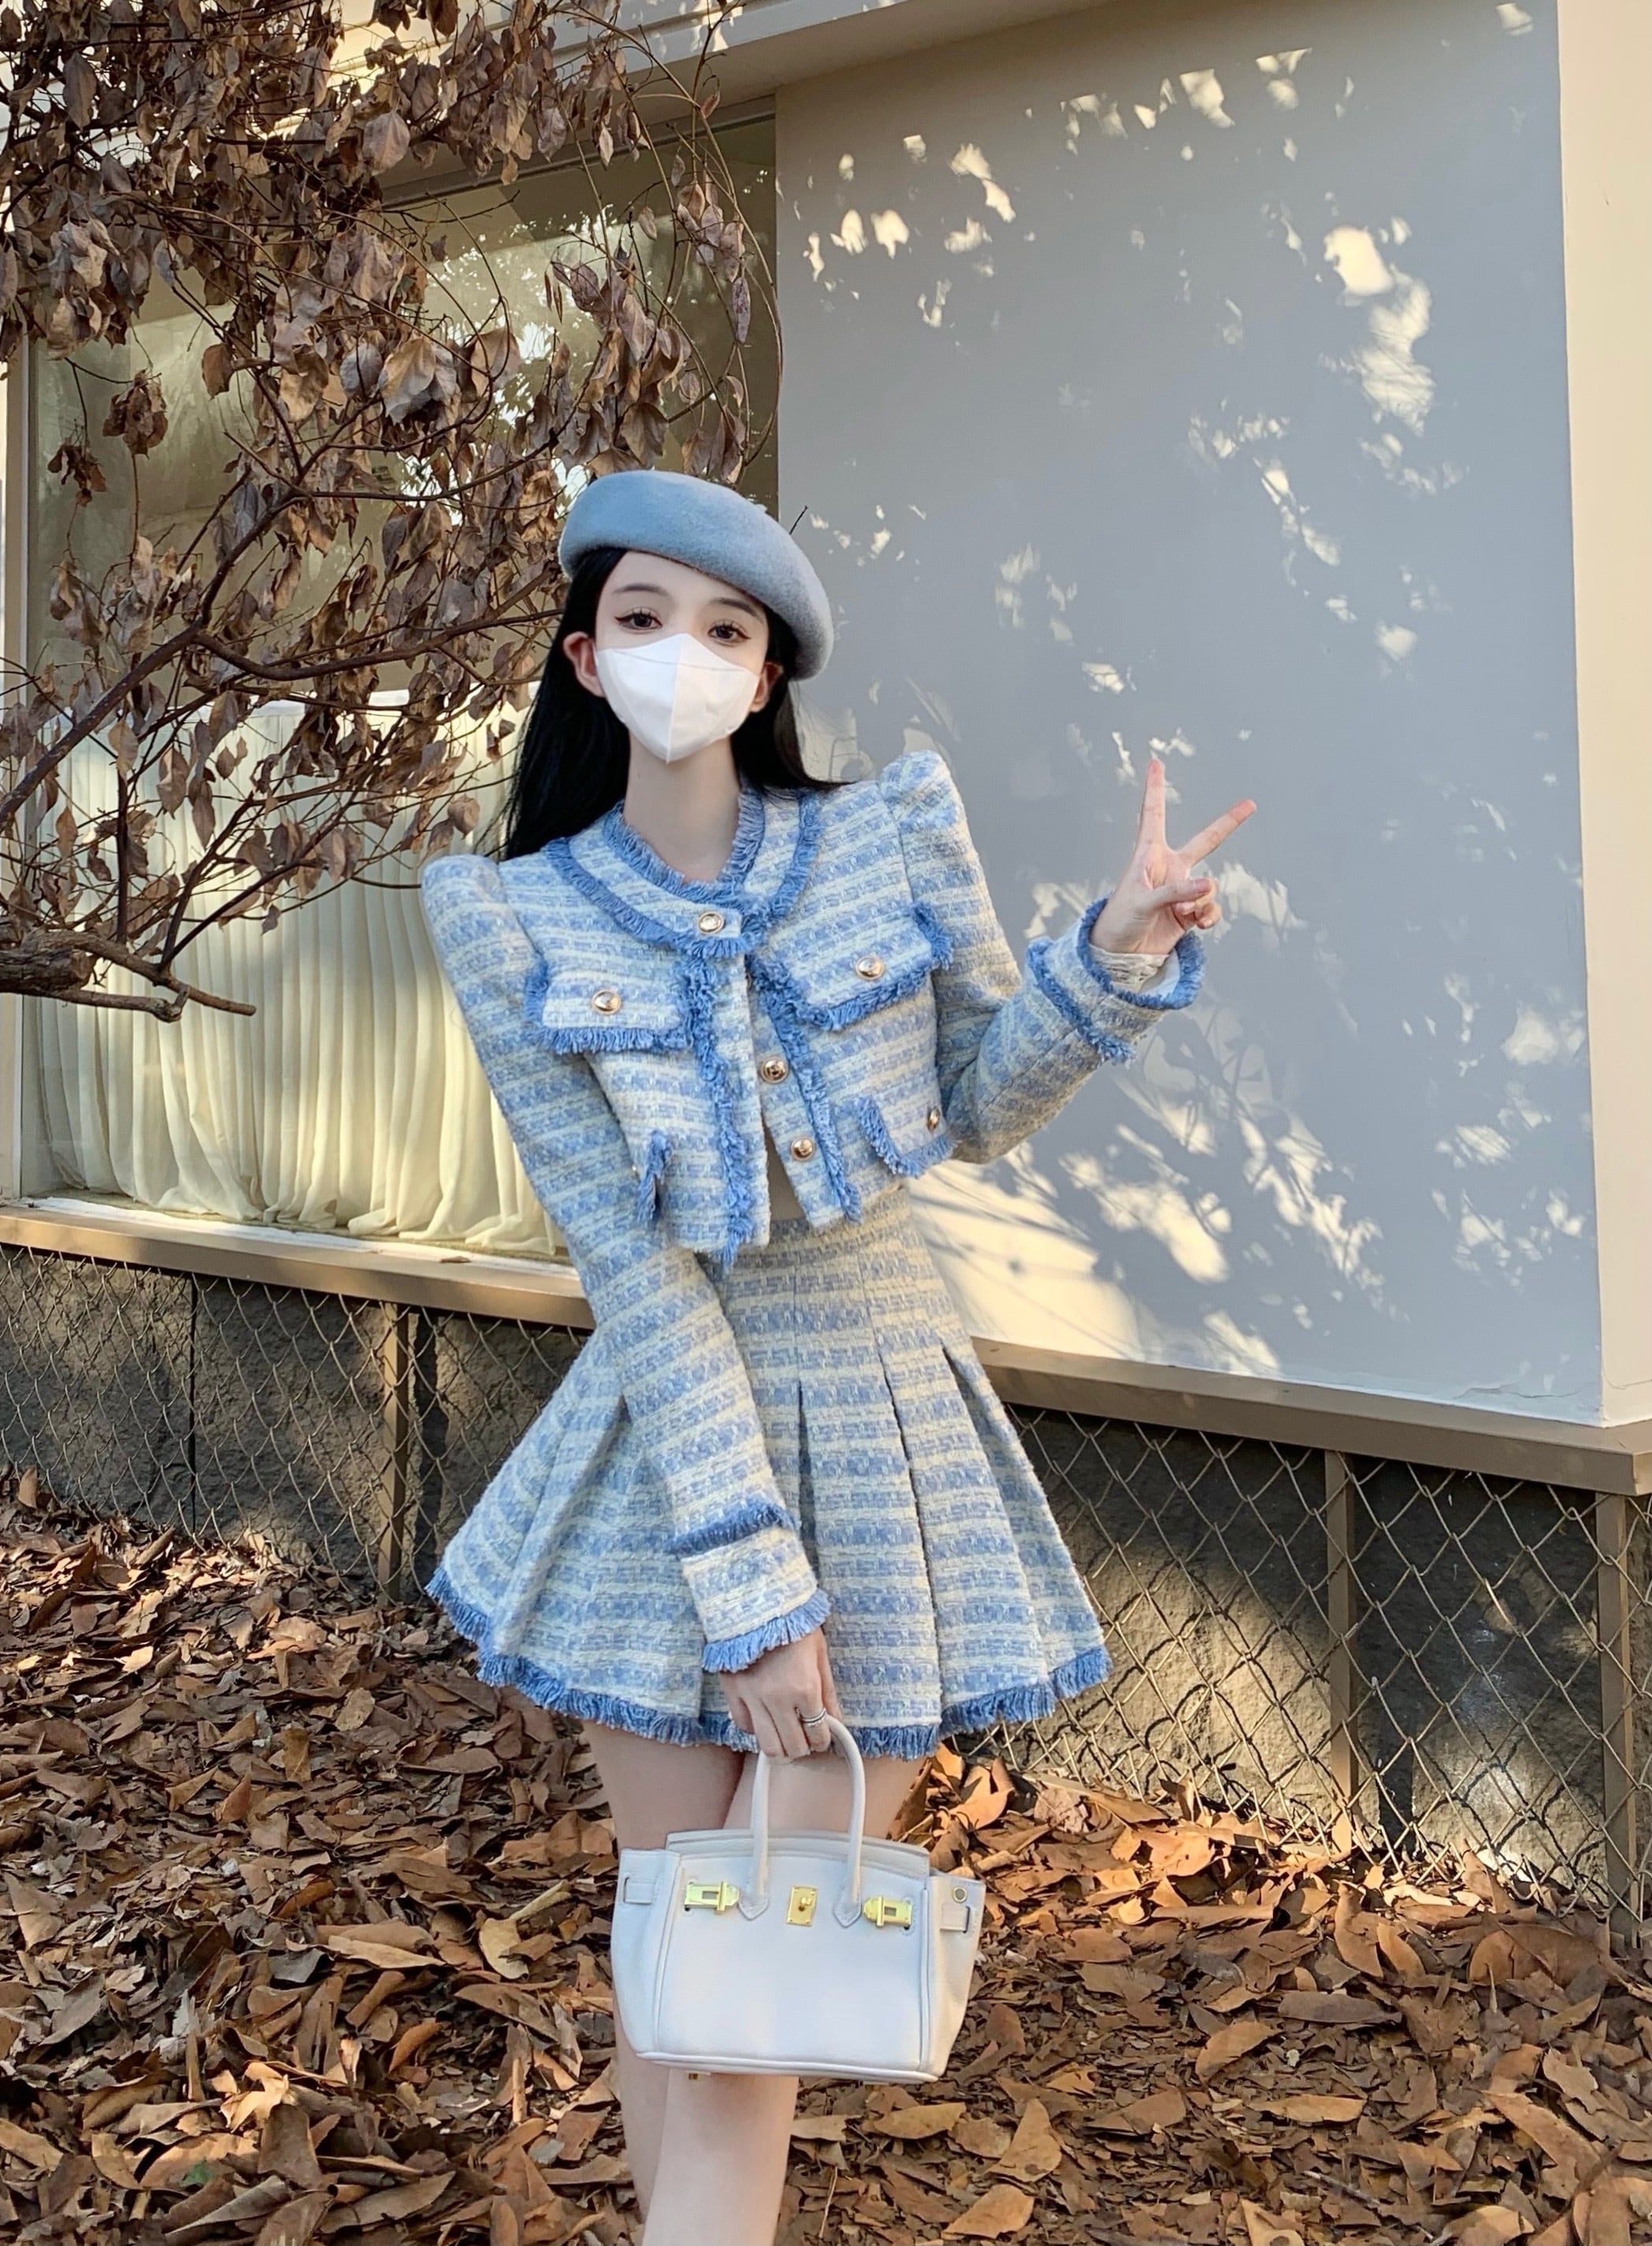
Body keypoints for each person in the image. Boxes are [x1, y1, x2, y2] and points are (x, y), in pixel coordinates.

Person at [418, 470, 1255, 2245]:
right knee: (679, 1955)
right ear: (583, 657)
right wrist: (748, 1587)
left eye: (726, 627)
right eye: (644, 618)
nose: (685, 652)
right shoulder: (510, 915)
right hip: (671, 1451)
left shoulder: (888, 830)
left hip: (883, 1429)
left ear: (769, 669)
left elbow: (975, 1102)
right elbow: (629, 1263)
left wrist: (1110, 957)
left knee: (756, 1992)